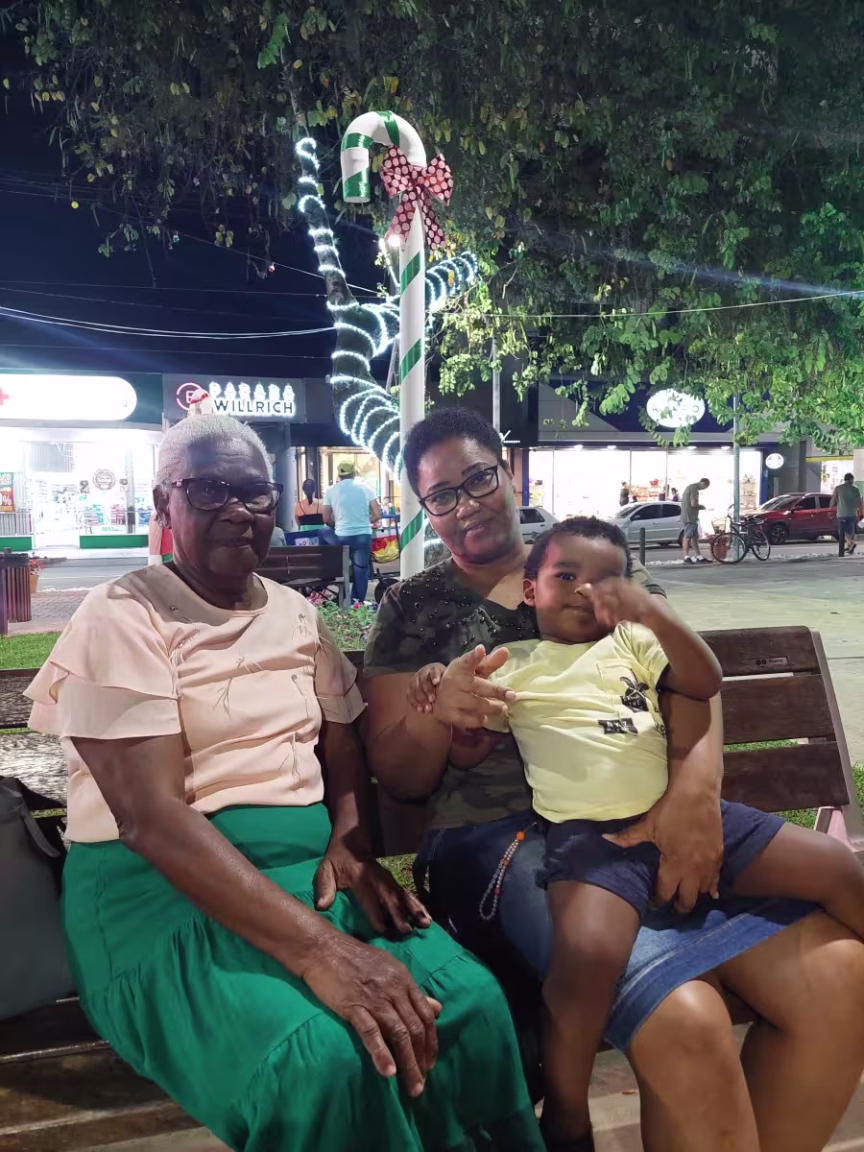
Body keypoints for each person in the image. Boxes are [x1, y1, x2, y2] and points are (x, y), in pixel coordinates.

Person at [25, 414, 543, 1152]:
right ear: (164, 502)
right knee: (323, 1060)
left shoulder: (296, 613)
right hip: (162, 895)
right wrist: (323, 953)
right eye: (209, 491)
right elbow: (149, 818)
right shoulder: (122, 614)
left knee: (469, 1003)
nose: (238, 510)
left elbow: (342, 744)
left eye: (255, 493)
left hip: (309, 879)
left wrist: (352, 843)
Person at [363, 407, 864, 1152]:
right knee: (685, 1014)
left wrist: (693, 798)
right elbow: (400, 777)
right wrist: (439, 717)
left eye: (479, 479)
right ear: (423, 506)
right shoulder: (412, 607)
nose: (465, 505)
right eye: (442, 495)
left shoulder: (595, 560)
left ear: (508, 472)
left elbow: (690, 688)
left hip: (653, 815)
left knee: (840, 975)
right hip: (503, 843)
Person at [322, 461, 380, 604]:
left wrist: (338, 525)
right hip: (362, 536)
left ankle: (328, 566)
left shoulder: (331, 490)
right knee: (360, 569)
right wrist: (364, 521)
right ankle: (356, 602)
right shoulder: (366, 488)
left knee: (322, 532)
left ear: (339, 474)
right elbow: (377, 514)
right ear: (354, 473)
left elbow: (326, 519)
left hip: (341, 537)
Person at [830, 472, 863, 555]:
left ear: (845, 479)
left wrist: (830, 509)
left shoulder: (838, 488)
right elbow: (860, 502)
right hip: (852, 513)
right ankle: (849, 547)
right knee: (851, 532)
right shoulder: (856, 489)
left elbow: (833, 500)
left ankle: (851, 543)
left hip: (841, 513)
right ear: (852, 479)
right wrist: (861, 513)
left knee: (841, 531)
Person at [680, 477, 709, 563]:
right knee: (687, 537)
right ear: (704, 484)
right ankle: (686, 557)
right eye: (705, 487)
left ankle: (699, 556)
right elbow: (693, 504)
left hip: (689, 516)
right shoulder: (694, 489)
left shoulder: (690, 487)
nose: (704, 489)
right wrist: (702, 507)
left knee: (694, 538)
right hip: (690, 517)